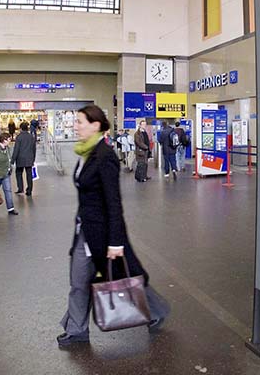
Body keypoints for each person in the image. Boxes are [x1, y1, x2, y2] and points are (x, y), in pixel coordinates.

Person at [57, 105, 169, 347]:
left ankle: (157, 311)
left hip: (105, 234)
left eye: (79, 122)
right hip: (84, 231)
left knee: (124, 277)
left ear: (95, 125)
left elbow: (114, 202)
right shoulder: (85, 153)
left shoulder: (105, 156)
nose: (75, 126)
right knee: (78, 281)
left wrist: (116, 242)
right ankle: (77, 329)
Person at [12, 122, 37, 196]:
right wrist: (33, 159)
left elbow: (16, 149)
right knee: (29, 175)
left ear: (21, 128)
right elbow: (34, 149)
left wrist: (13, 160)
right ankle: (29, 190)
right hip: (29, 158)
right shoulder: (31, 137)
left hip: (20, 159)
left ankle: (20, 188)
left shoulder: (19, 137)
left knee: (18, 173)